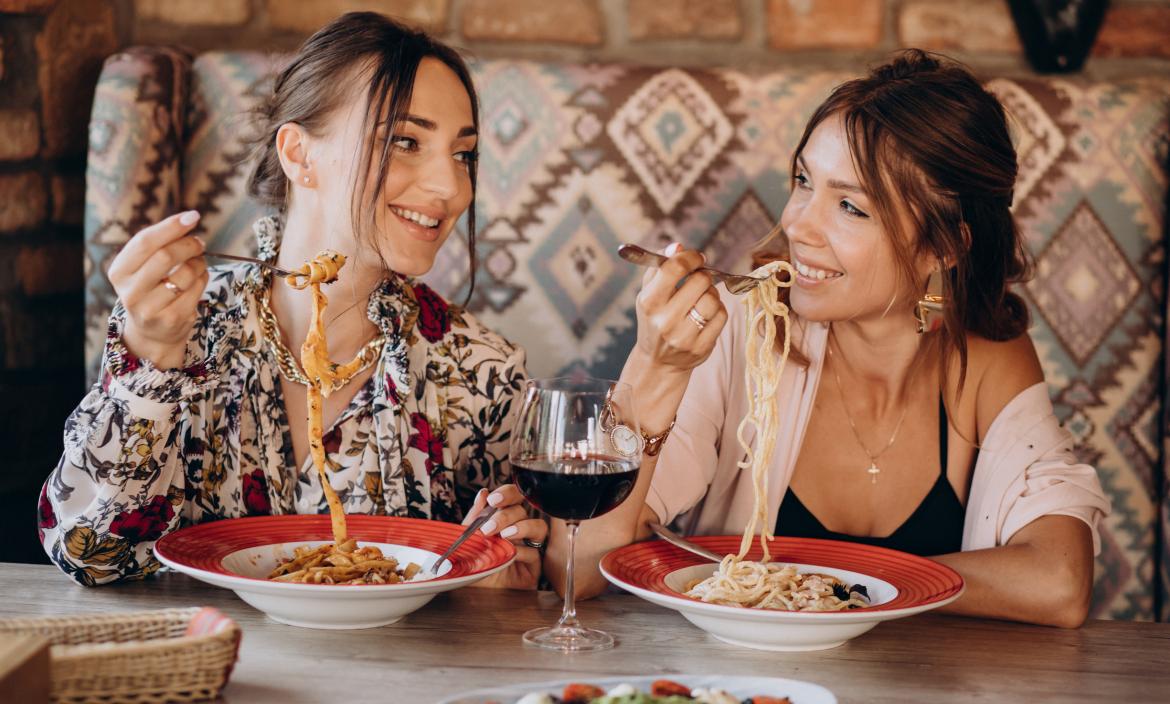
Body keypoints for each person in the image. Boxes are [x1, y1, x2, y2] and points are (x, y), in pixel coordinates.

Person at [555, 50, 1110, 627]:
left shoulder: (987, 358)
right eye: (802, 181)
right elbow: (585, 562)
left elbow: (1059, 581)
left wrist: (832, 587)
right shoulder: (742, 325)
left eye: (850, 206)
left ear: (943, 247)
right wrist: (656, 364)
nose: (798, 224)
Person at [39, 12, 545, 588]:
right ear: (299, 155)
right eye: (405, 141)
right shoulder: (179, 326)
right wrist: (149, 361)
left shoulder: (483, 371)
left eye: (463, 155)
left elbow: (526, 579)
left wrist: (505, 576)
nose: (453, 189)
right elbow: (89, 556)